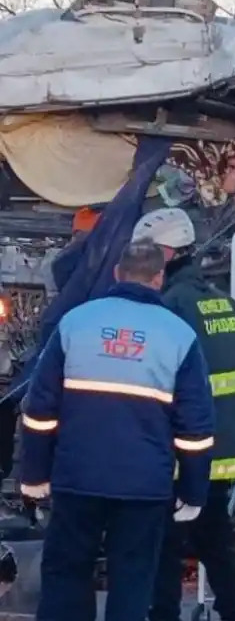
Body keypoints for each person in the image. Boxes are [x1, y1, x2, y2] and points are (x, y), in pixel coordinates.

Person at [20, 240, 214, 621]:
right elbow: (195, 428)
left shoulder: (76, 323)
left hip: (77, 477)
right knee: (133, 581)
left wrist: (34, 475)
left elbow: (39, 408)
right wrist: (193, 492)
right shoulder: (179, 336)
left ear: (116, 273)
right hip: (144, 486)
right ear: (158, 279)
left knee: (65, 575)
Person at [134, 209, 235, 621]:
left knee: (164, 545)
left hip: (183, 448)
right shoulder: (227, 304)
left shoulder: (169, 306)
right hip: (223, 448)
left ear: (166, 253)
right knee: (215, 540)